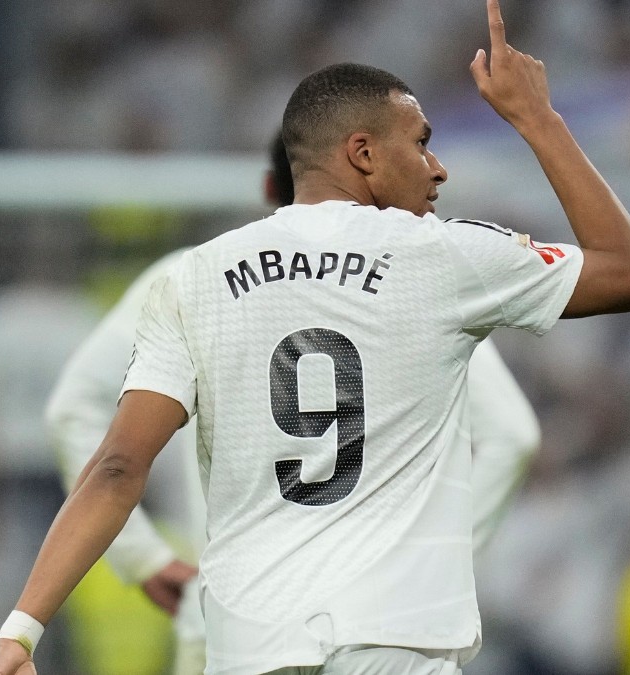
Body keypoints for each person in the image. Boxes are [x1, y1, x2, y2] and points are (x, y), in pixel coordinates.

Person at [0, 1, 630, 673]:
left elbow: (116, 467)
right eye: (420, 142)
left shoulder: (194, 278)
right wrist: (537, 118)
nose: (438, 168)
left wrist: (22, 629)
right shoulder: (441, 256)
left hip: (252, 651)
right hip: (394, 644)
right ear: (363, 153)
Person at [44, 134, 544, 674]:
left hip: (238, 622)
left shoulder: (193, 275)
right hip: (379, 625)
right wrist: (426, 570)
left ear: (268, 187)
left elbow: (73, 408)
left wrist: (142, 556)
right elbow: (513, 435)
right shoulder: (419, 277)